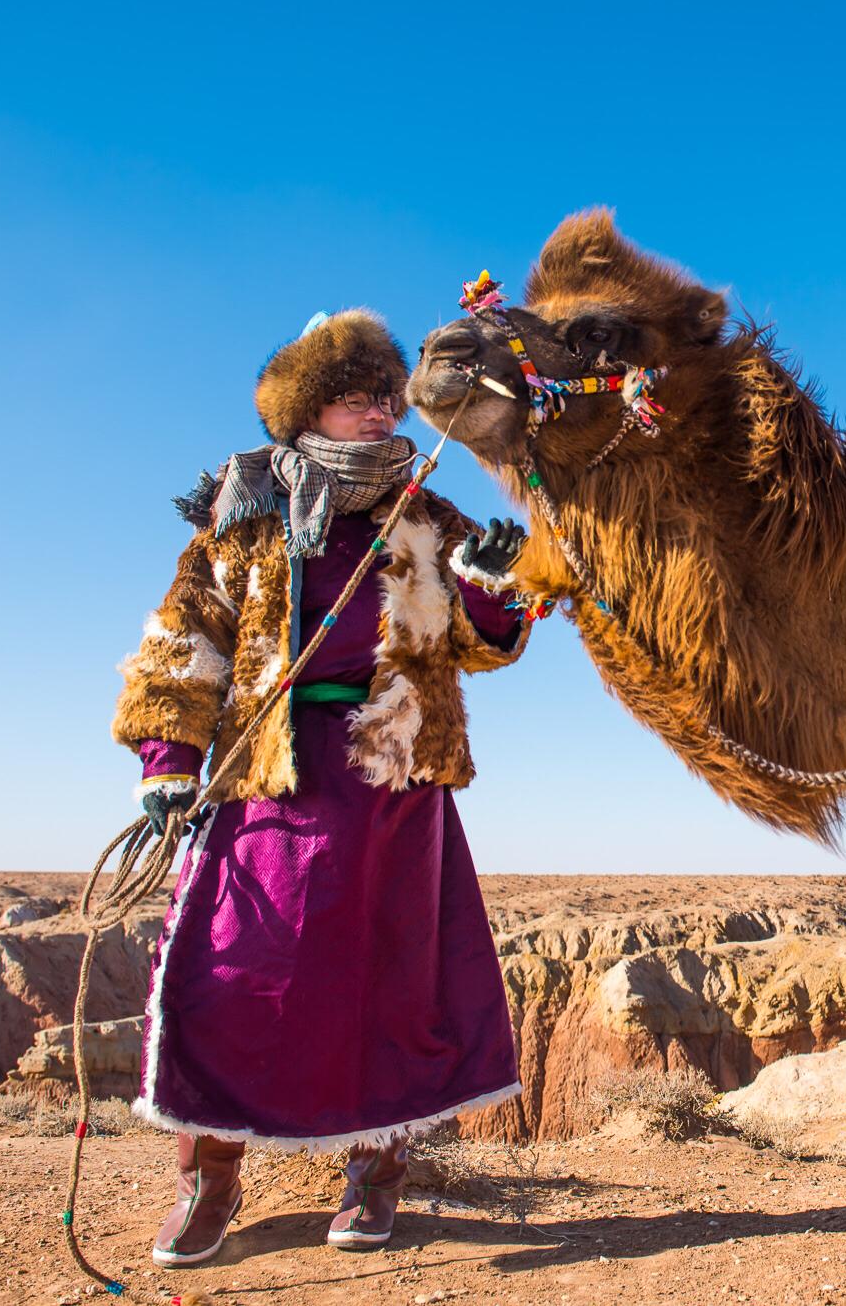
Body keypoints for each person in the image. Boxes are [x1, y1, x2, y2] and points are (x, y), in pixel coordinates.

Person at [110, 308, 531, 1265]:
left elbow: (483, 642)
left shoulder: (426, 512)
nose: (377, 412)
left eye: (385, 397)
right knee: (228, 975)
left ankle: (375, 1179)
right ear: (306, 412)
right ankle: (208, 1183)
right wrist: (168, 762)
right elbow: (187, 636)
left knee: (396, 984)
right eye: (351, 399)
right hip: (273, 773)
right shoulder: (248, 512)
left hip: (395, 781)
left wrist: (490, 582)